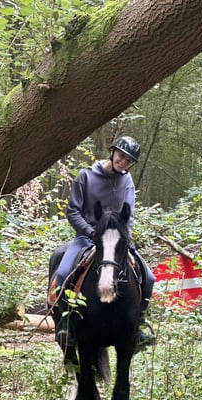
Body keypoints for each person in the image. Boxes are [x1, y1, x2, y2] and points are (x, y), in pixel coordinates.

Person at [47, 136, 156, 350]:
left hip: (116, 241)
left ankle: (139, 325)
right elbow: (73, 211)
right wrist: (92, 233)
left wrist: (123, 237)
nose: (123, 162)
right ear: (113, 152)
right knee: (62, 274)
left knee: (149, 278)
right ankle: (65, 323)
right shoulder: (85, 177)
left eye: (128, 161)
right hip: (87, 237)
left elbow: (129, 214)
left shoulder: (127, 181)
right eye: (121, 156)